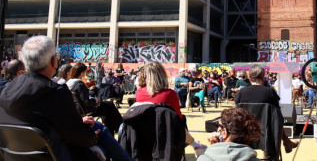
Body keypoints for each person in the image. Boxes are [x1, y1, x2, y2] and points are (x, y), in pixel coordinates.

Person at [0, 35, 132, 161]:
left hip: (18, 155)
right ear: (53, 61)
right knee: (99, 128)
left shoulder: (6, 91)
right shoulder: (56, 92)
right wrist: (93, 137)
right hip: (54, 154)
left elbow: (37, 119)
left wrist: (78, 121)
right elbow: (77, 136)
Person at [135, 61, 207, 157]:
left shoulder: (139, 93)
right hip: (167, 133)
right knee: (179, 121)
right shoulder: (169, 94)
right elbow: (178, 119)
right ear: (162, 75)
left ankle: (196, 145)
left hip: (145, 133)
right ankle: (196, 146)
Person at [235, 64, 298, 154]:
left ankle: (286, 142)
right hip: (266, 131)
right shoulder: (270, 92)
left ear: (249, 78)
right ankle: (276, 147)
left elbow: (237, 110)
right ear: (263, 78)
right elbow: (277, 113)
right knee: (277, 116)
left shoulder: (241, 92)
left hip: (245, 130)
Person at [68, 63, 123, 135]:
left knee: (108, 107)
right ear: (82, 73)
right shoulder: (79, 84)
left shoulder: (69, 83)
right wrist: (96, 100)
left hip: (78, 109)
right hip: (86, 109)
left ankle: (115, 128)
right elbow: (86, 102)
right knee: (109, 107)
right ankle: (120, 127)